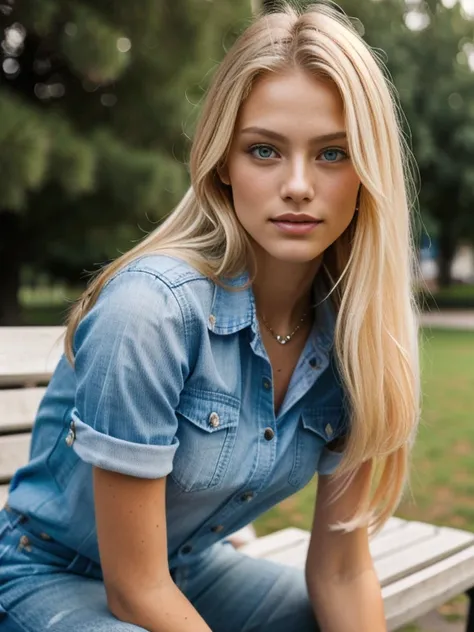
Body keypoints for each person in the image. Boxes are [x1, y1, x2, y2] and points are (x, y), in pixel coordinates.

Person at [0, 2, 420, 631]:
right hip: (48, 575)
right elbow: (135, 589)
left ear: (368, 171)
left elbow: (342, 570)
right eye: (265, 151)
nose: (299, 185)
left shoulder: (356, 337)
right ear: (224, 162)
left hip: (188, 567)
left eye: (333, 154)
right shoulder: (151, 314)